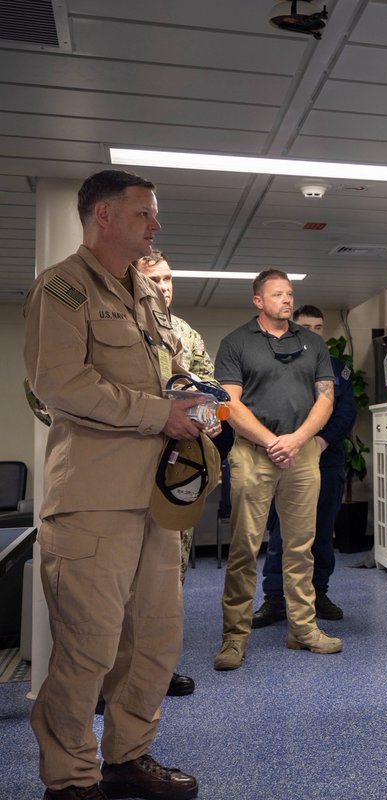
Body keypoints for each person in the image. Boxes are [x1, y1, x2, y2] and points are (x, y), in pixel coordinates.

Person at [24, 169, 205, 800]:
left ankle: (128, 757)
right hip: (93, 501)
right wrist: (161, 413)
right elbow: (61, 385)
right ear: (103, 215)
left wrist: (188, 395)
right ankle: (71, 777)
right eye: (144, 214)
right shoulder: (64, 289)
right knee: (88, 650)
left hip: (155, 499)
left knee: (155, 641)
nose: (155, 223)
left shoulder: (146, 295)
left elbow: (170, 371)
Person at [213, 269, 339, 670]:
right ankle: (234, 637)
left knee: (300, 547)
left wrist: (297, 440)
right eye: (277, 294)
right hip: (253, 453)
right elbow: (228, 405)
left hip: (300, 454)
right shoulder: (236, 343)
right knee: (244, 549)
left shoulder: (313, 343)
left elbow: (325, 400)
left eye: (289, 293)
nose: (286, 299)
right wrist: (271, 441)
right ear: (258, 301)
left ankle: (302, 629)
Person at [136, 249, 214, 699]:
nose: (165, 287)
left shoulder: (184, 332)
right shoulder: (120, 326)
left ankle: (161, 669)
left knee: (170, 578)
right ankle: (115, 675)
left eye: (169, 279)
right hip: (124, 466)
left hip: (174, 467)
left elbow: (205, 386)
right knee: (122, 580)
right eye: (156, 280)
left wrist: (207, 416)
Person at [253, 305, 358, 628]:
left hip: (325, 462)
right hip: (285, 462)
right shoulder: (275, 366)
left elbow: (345, 412)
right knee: (281, 533)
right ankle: (275, 600)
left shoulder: (337, 368)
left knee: (322, 533)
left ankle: (318, 593)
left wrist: (321, 442)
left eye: (318, 327)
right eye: (306, 327)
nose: (312, 333)